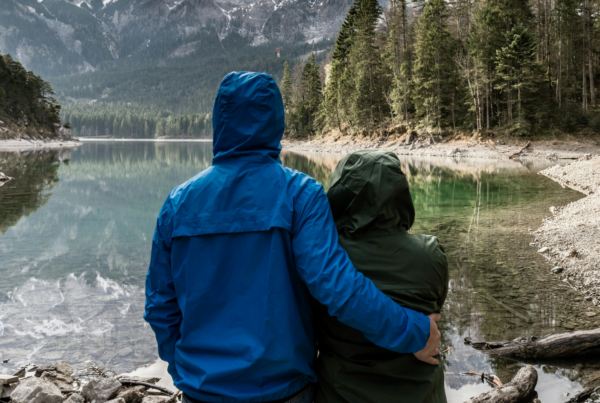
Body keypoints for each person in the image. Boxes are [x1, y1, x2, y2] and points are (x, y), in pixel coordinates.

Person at [144, 72, 441, 403]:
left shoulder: (177, 203)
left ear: (219, 119)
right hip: (283, 392)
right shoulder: (301, 194)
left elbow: (159, 307)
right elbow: (338, 289)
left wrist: (188, 368)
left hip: (201, 393)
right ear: (276, 121)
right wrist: (415, 332)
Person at [313, 150, 449, 403]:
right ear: (399, 193)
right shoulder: (431, 253)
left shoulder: (325, 258)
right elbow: (435, 313)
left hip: (340, 393)